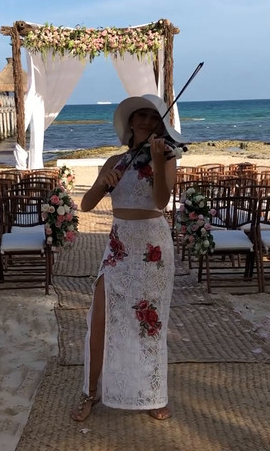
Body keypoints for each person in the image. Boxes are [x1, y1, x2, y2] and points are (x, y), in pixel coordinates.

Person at [71, 94, 178, 422]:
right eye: (140, 115)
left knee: (149, 324)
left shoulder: (168, 157)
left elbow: (161, 202)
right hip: (118, 248)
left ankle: (153, 393)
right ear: (130, 122)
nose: (146, 121)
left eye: (152, 116)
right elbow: (86, 205)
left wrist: (158, 163)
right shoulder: (115, 162)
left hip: (152, 248)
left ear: (160, 124)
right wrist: (103, 183)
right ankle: (91, 392)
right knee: (100, 318)